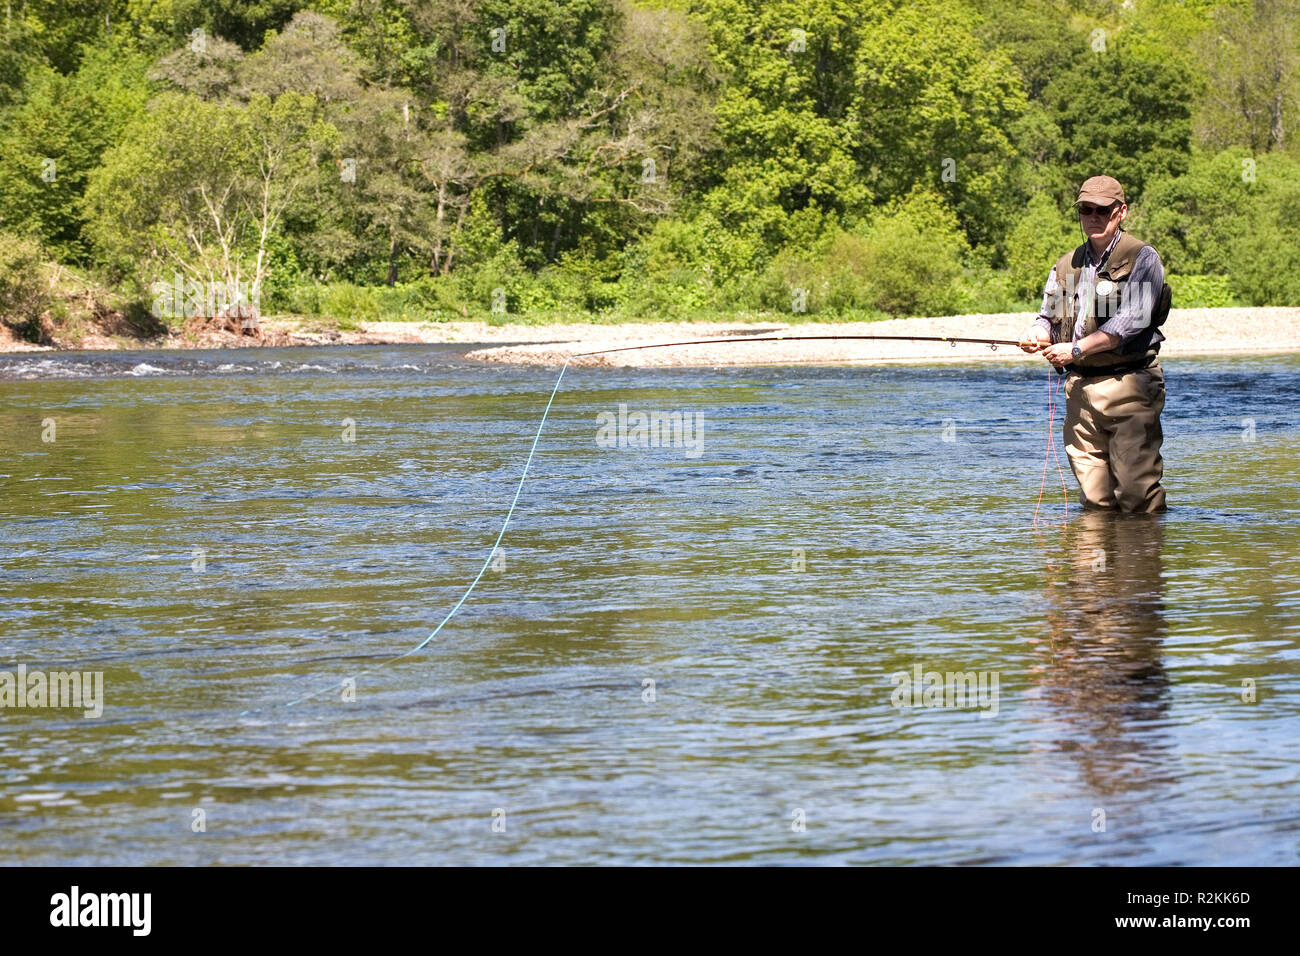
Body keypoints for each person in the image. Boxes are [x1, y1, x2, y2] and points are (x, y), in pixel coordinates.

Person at [1018, 175, 1170, 513]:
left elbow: (1130, 323)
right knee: (1096, 500)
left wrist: (1074, 349)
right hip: (1080, 390)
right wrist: (1037, 334)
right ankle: (1095, 564)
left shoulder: (1141, 258)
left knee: (1137, 495)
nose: (1093, 217)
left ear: (1122, 212)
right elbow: (1049, 317)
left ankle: (1139, 563)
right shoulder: (1067, 264)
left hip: (1129, 386)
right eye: (1086, 210)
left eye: (1102, 210)